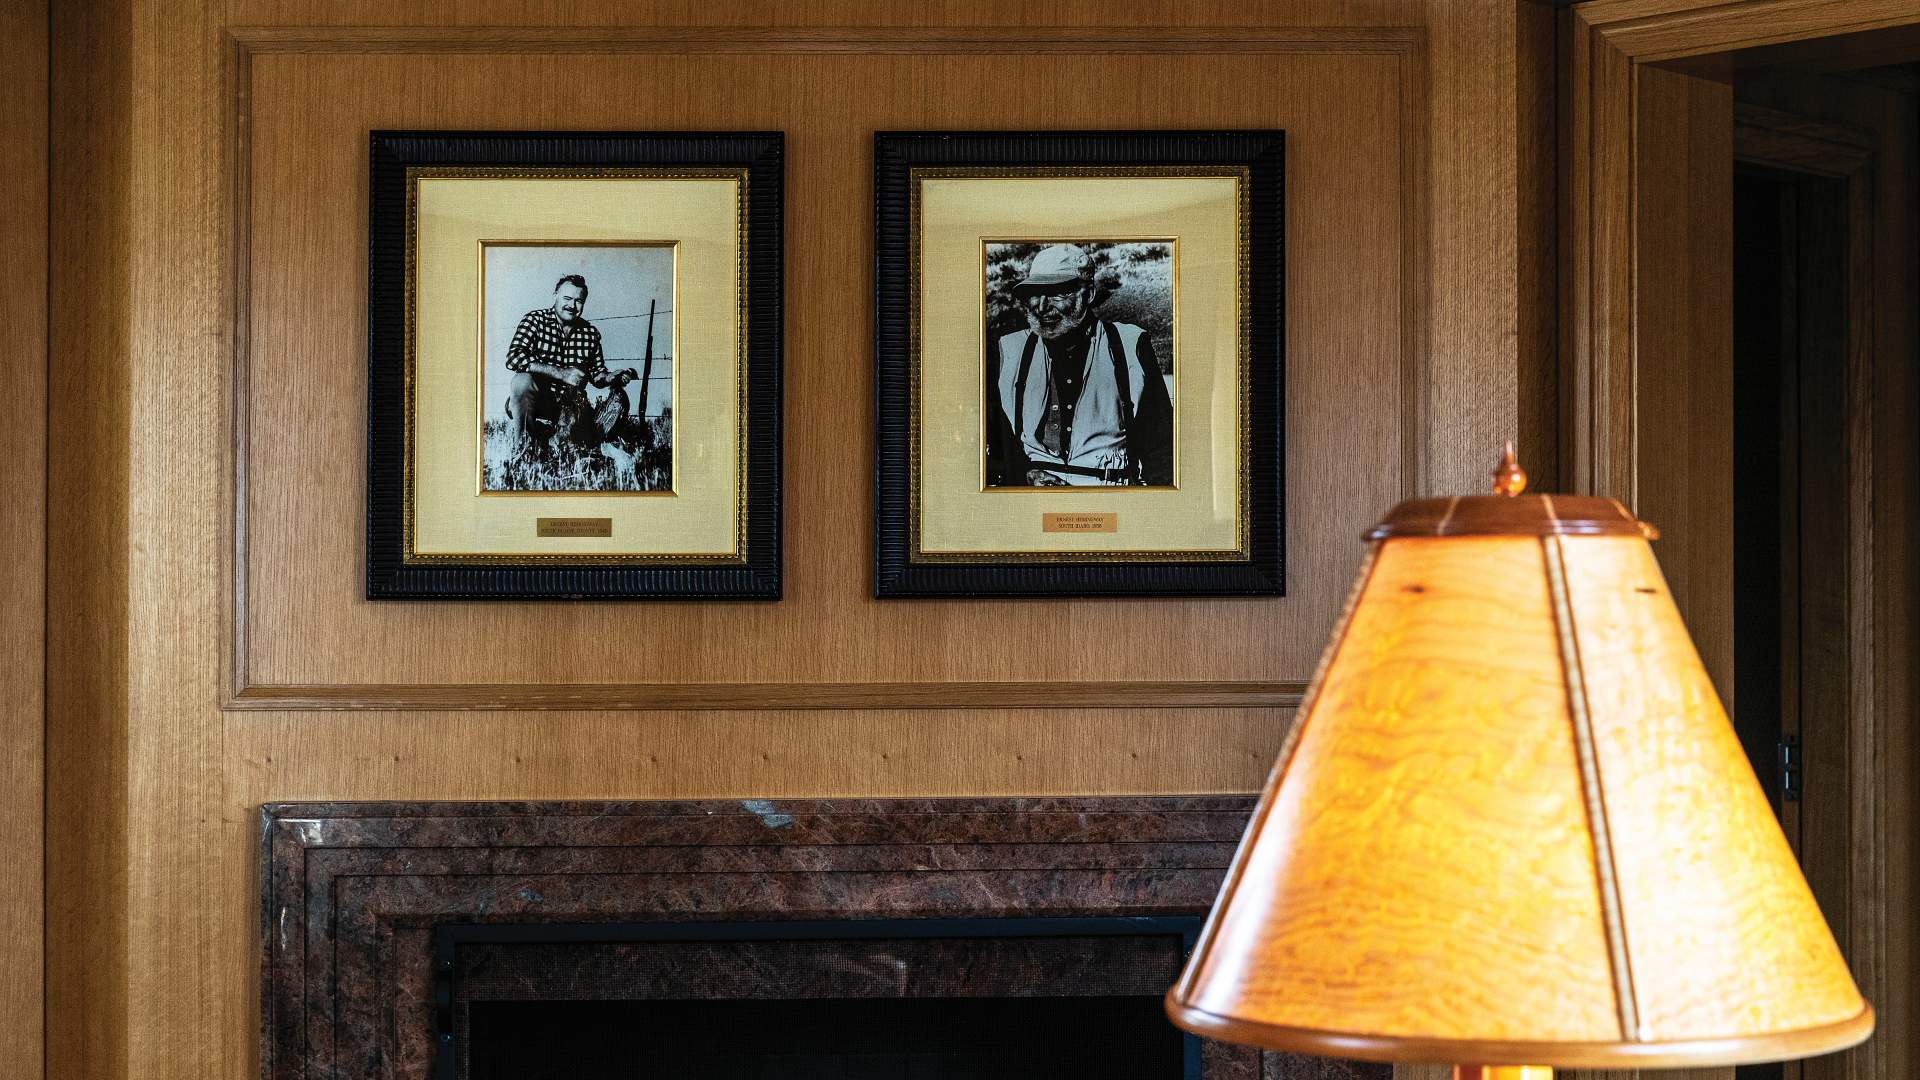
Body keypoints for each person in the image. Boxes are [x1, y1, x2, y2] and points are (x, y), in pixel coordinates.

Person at [985, 244, 1174, 487]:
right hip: (1033, 500)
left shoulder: (1129, 345)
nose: (1041, 306)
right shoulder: (1010, 351)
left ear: (1089, 294)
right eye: (1034, 294)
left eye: (1056, 294)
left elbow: (1161, 449)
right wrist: (1024, 474)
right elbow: (997, 447)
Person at [505, 275, 638, 454]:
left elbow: (597, 374)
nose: (572, 305)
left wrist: (610, 377)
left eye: (578, 301)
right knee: (521, 381)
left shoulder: (590, 333)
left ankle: (572, 445)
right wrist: (561, 373)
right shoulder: (534, 320)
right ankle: (523, 448)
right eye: (567, 298)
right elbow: (513, 357)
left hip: (573, 406)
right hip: (538, 401)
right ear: (555, 295)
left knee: (582, 448)